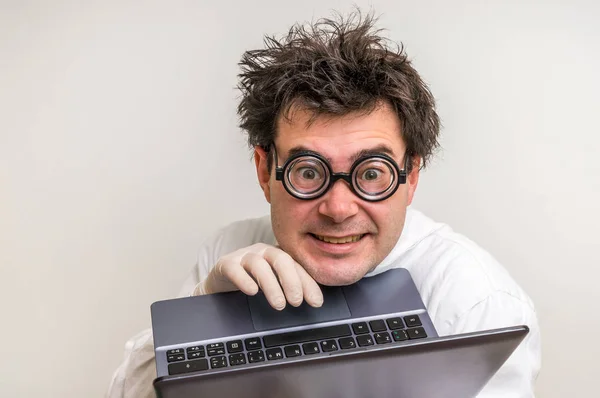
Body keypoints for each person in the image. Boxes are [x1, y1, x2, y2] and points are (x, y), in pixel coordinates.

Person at [106, 11, 541, 398]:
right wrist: (198, 316)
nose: (338, 208)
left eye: (371, 173)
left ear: (411, 177)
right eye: (309, 171)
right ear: (264, 172)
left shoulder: (477, 301)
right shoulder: (229, 254)